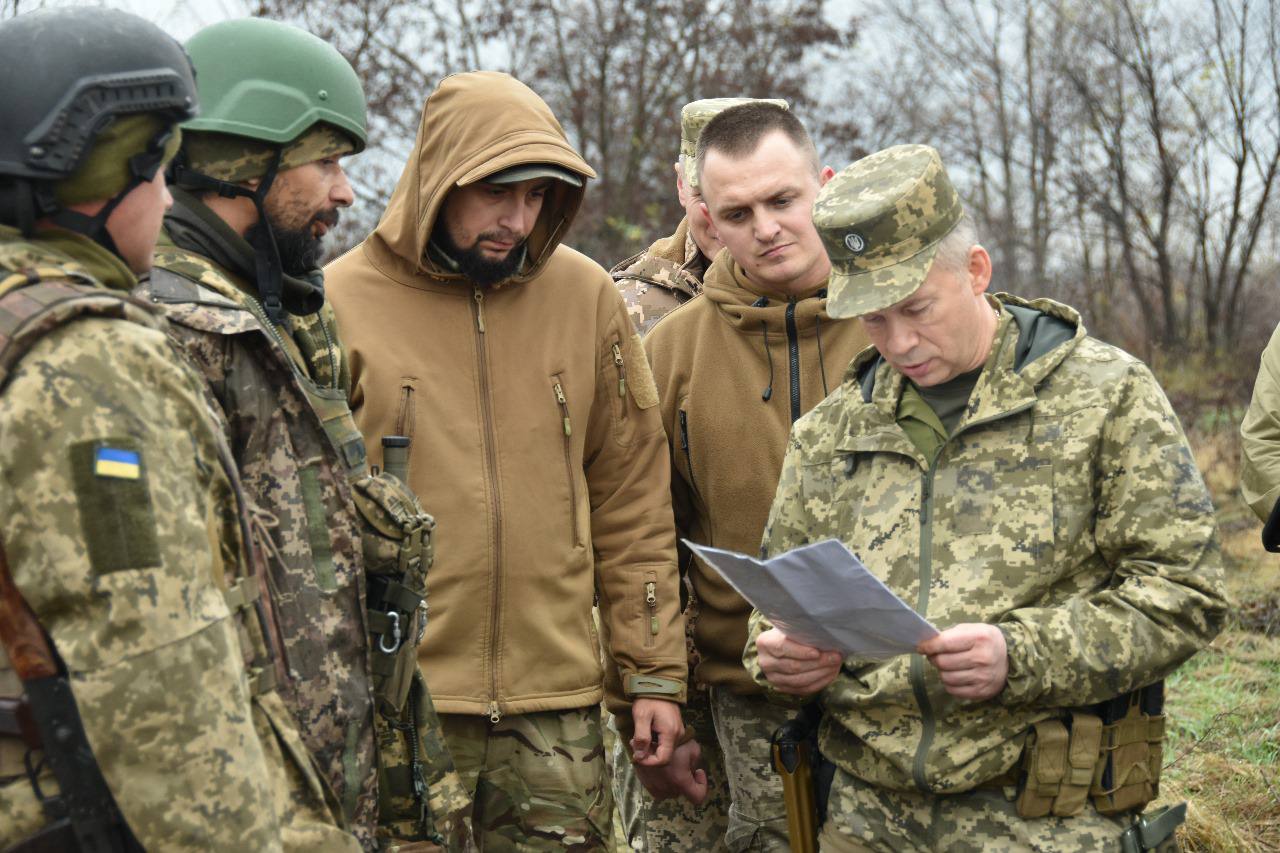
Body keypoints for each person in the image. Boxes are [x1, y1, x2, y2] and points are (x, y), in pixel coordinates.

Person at [746, 144, 1229, 852]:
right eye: (874, 320)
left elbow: (1190, 592)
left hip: (1045, 818)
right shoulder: (832, 431)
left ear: (975, 271)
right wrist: (781, 658)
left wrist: (1022, 653)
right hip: (863, 817)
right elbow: (773, 607)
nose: (899, 342)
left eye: (915, 307)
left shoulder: (1106, 396)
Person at [0, 7, 358, 850]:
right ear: (98, 180)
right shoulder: (87, 362)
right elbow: (155, 667)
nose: (168, 199)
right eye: (155, 173)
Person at [325, 70, 689, 850]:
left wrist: (653, 672)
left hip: (556, 717)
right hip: (401, 709)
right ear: (438, 176)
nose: (517, 220)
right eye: (498, 192)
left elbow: (631, 500)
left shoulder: (587, 297)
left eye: (537, 198)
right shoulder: (336, 304)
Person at [132, 18, 466, 848]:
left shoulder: (275, 313)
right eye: (324, 163)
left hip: (332, 777)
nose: (345, 193)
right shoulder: (170, 325)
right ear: (245, 163)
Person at [633, 101, 870, 851]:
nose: (765, 227)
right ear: (707, 219)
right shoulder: (670, 353)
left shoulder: (899, 321)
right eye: (738, 211)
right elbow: (641, 534)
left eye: (783, 200)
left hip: (906, 684)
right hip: (752, 695)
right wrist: (655, 684)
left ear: (824, 187)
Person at [611, 97, 785, 334]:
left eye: (763, 198)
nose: (722, 220)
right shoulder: (625, 307)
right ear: (681, 184)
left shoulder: (836, 294)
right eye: (705, 197)